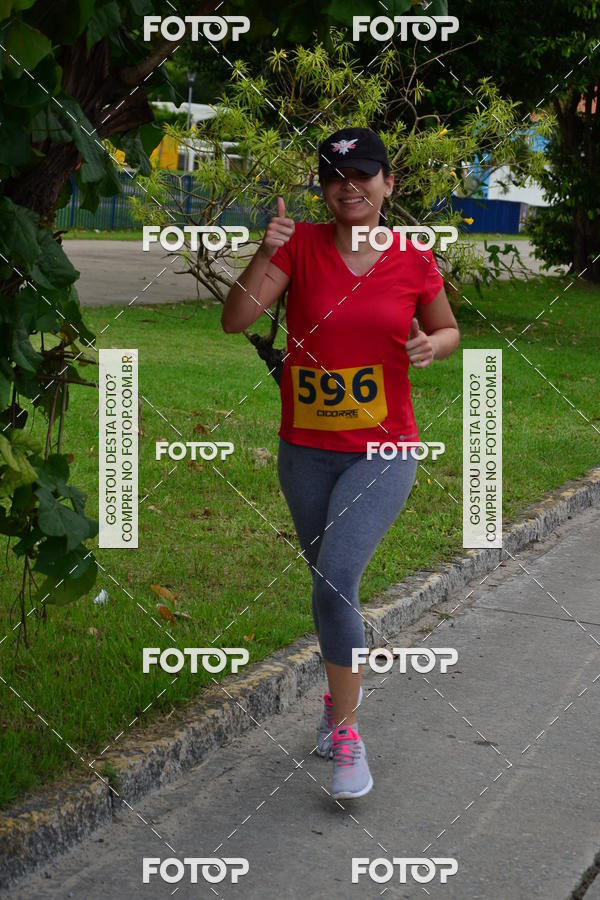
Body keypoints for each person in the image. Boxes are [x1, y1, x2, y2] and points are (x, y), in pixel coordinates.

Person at [222, 127, 460, 800]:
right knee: (333, 588)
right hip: (305, 452)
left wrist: (431, 348)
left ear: (388, 184)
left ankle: (348, 734)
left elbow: (448, 329)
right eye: (333, 174)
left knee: (335, 577)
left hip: (385, 450)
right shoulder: (297, 247)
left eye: (362, 173)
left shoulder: (414, 257)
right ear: (322, 187)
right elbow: (236, 319)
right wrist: (261, 254)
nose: (347, 185)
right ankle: (335, 704)